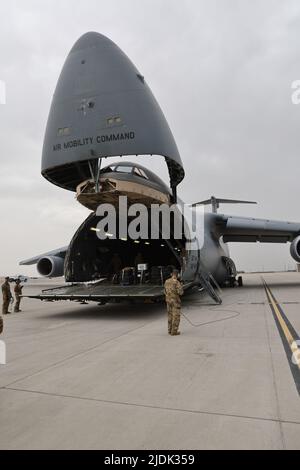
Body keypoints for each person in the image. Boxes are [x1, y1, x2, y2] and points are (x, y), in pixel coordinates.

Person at [164, 269, 184, 336]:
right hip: (175, 302)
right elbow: (180, 293)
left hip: (168, 301)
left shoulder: (166, 281)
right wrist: (181, 286)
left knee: (170, 315)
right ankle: (174, 331)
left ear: (171, 274)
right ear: (177, 275)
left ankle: (169, 330)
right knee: (176, 316)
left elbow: (165, 291)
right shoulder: (177, 282)